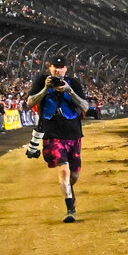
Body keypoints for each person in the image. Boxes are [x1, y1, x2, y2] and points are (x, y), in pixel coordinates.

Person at [27, 60, 90, 221]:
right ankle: (70, 209)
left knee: (74, 174)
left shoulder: (73, 83)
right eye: (55, 67)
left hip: (73, 134)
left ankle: (68, 190)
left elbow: (85, 106)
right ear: (50, 68)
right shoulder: (42, 81)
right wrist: (45, 89)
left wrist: (70, 91)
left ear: (66, 69)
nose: (58, 71)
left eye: (61, 68)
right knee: (64, 169)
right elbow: (30, 102)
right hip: (52, 134)